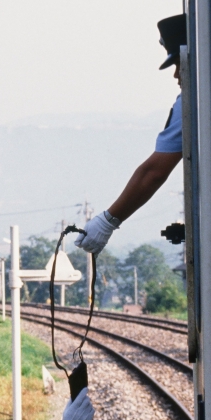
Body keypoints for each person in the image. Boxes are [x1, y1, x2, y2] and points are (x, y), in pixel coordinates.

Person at [76, 14, 186, 256]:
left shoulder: (192, 102)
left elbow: (154, 172)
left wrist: (108, 220)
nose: (176, 75)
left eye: (179, 64)